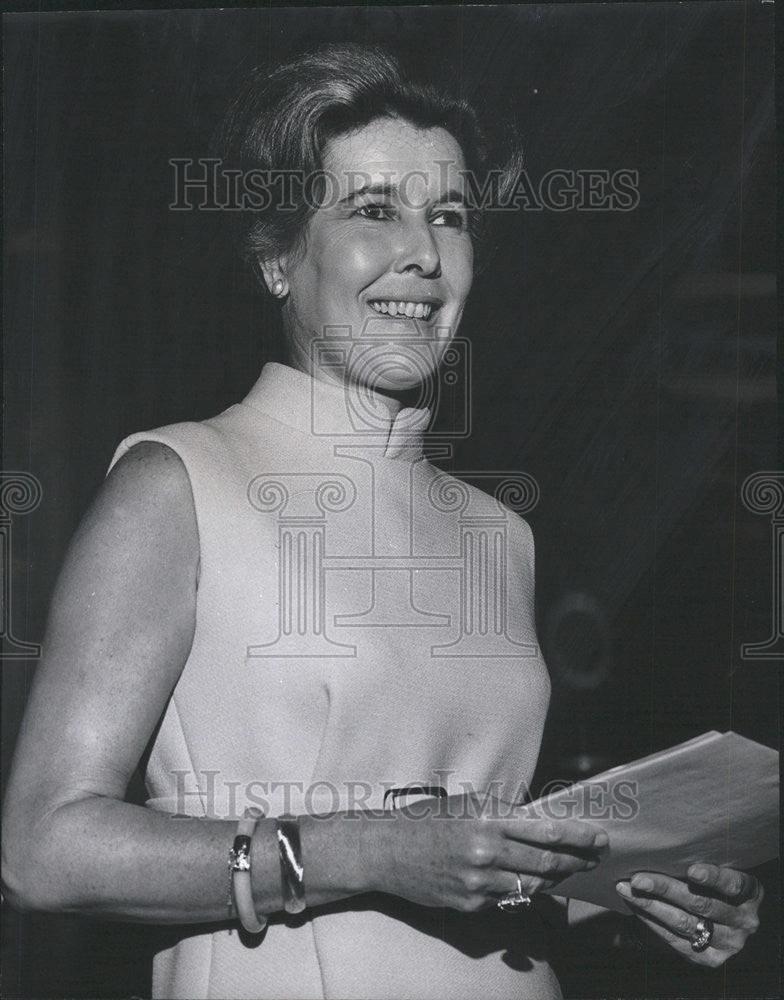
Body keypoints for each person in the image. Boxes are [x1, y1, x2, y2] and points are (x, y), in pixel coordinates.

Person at [1, 43, 763, 1000]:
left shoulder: (501, 533)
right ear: (278, 256)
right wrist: (364, 850)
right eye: (374, 211)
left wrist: (633, 894)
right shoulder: (178, 480)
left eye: (448, 215)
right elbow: (43, 850)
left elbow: (471, 873)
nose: (424, 251)